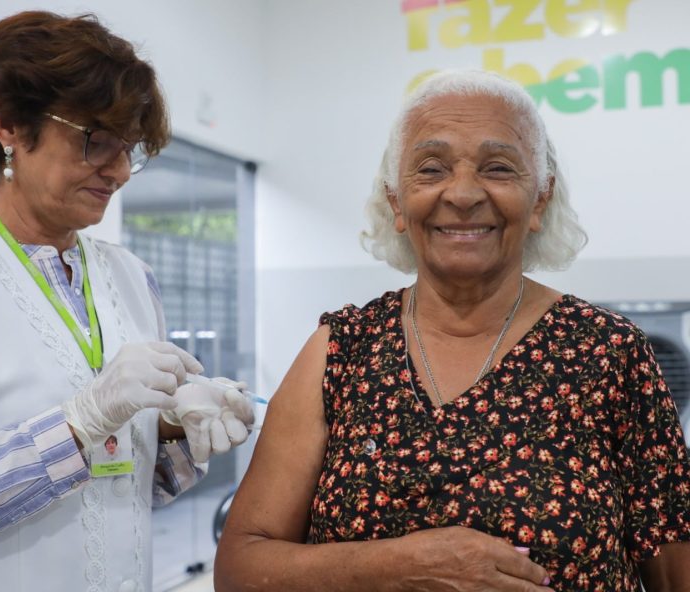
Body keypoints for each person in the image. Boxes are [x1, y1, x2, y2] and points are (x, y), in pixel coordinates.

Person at [215, 70, 690, 591]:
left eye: (499, 168)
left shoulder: (609, 354)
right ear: (397, 201)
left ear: (540, 198)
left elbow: (675, 569)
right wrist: (398, 567)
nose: (462, 194)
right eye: (432, 168)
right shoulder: (341, 352)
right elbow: (241, 568)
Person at [0, 11, 253, 592]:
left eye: (129, 148)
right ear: (9, 125)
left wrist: (172, 430)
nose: (120, 171)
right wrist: (76, 426)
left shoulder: (131, 278)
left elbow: (135, 492)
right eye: (97, 141)